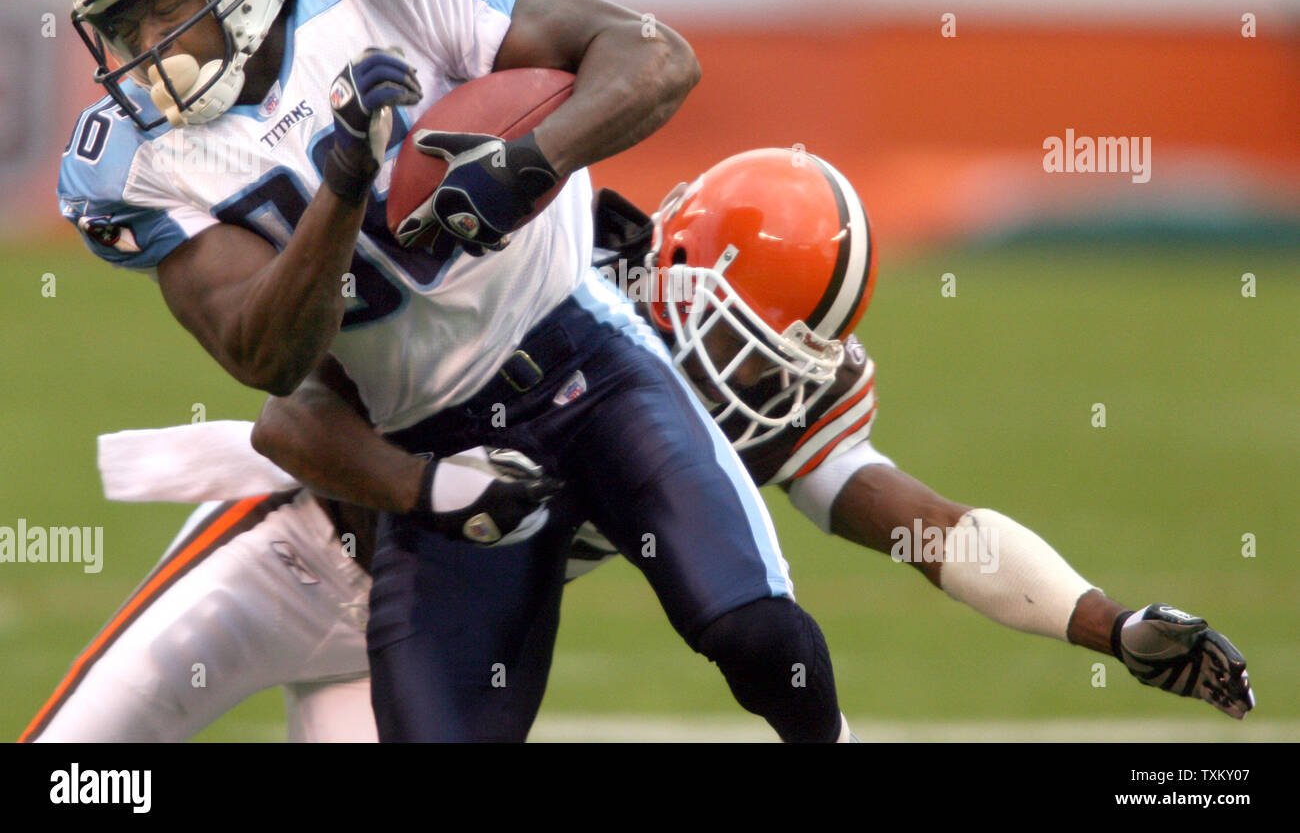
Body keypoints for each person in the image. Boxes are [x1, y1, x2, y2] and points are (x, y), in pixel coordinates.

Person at [27, 150, 1252, 742]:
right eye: (752, 341)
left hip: (418, 644)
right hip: (294, 549)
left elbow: (933, 532)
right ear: (674, 271)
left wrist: (1106, 623)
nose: (757, 382)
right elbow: (294, 411)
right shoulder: (540, 274)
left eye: (786, 362)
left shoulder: (730, 404)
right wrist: (424, 482)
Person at [56, 0, 847, 742]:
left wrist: (527, 164)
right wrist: (346, 182)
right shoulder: (133, 161)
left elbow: (653, 56)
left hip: (585, 356)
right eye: (121, 23)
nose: (146, 48)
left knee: (754, 629)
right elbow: (262, 355)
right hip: (427, 433)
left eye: (166, 4)